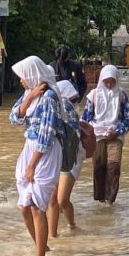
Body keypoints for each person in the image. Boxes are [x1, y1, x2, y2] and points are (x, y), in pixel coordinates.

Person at [9, 56, 68, 256]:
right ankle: (41, 246)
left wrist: (32, 165)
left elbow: (47, 134)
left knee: (35, 205)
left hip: (46, 152)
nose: (20, 80)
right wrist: (29, 97)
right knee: (24, 206)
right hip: (30, 147)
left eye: (23, 76)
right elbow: (14, 119)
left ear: (32, 75)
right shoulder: (31, 93)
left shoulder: (49, 97)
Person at [81, 65, 129, 205]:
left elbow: (127, 120)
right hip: (97, 135)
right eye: (106, 81)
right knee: (99, 167)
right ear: (101, 80)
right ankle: (100, 200)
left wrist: (117, 131)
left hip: (115, 135)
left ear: (117, 80)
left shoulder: (122, 96)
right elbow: (85, 118)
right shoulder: (93, 95)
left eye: (112, 81)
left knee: (114, 167)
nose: (109, 84)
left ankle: (111, 201)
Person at [47, 79, 85, 237]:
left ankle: (72, 224)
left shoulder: (65, 107)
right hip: (54, 155)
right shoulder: (54, 105)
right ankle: (52, 235)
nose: (74, 102)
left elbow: (71, 136)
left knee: (61, 199)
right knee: (52, 199)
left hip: (71, 156)